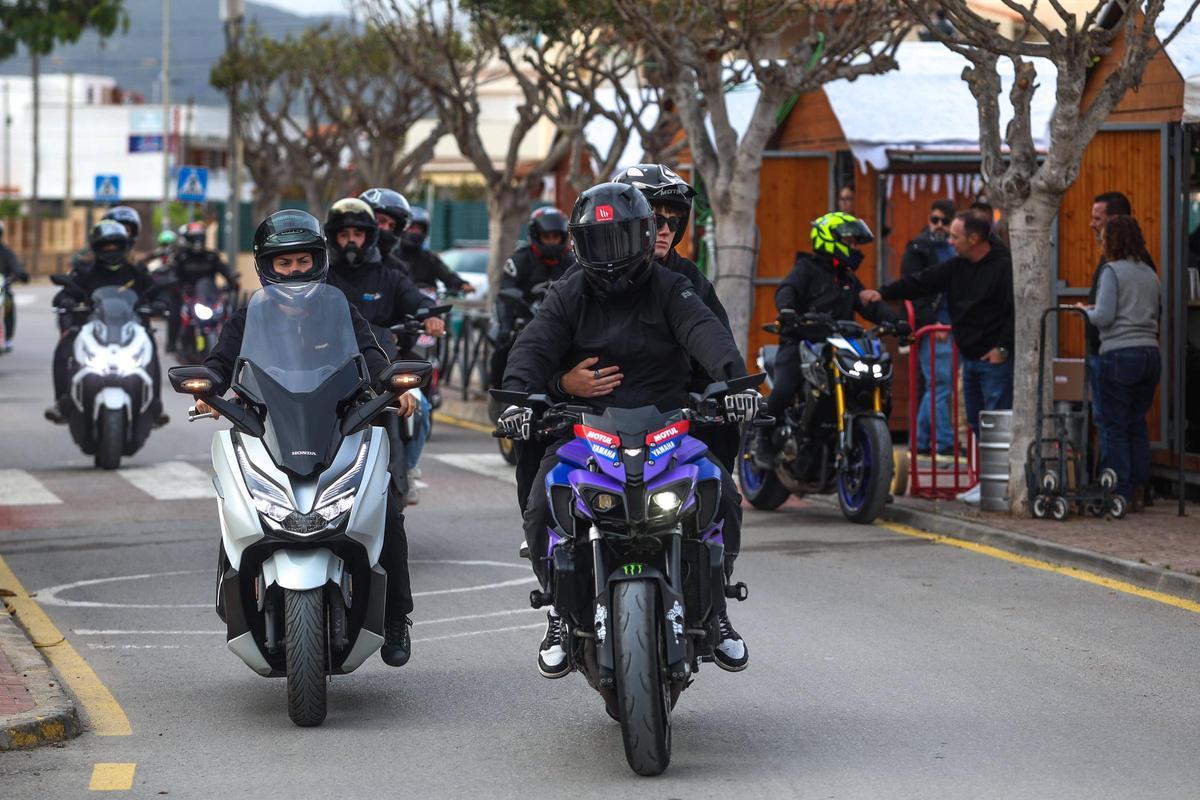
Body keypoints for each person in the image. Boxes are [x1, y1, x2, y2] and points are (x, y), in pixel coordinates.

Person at [500, 182, 759, 676]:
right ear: (580, 243)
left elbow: (704, 329)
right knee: (541, 505)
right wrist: (519, 397)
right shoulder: (569, 290)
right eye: (598, 240)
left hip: (670, 430)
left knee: (721, 492)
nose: (611, 253)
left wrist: (733, 382)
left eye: (620, 238)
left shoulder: (672, 286)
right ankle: (557, 610)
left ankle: (718, 608)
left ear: (642, 239)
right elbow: (534, 344)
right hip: (585, 432)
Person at [193, 209, 421, 667]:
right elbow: (220, 361)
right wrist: (208, 391)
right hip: (268, 426)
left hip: (338, 424)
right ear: (266, 266)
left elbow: (373, 356)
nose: (294, 271)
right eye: (284, 263)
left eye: (302, 261)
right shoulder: (248, 315)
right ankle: (231, 586)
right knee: (239, 503)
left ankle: (397, 616)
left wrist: (394, 384)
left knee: (387, 511)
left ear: (318, 260)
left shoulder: (340, 310)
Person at [324, 197, 444, 506]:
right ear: (333, 237)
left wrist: (428, 314)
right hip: (326, 367)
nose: (351, 241)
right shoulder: (321, 275)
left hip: (383, 363)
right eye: (344, 234)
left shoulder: (389, 274)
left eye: (358, 234)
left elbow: (415, 298)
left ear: (368, 237)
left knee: (418, 405)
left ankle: (408, 470)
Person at [862, 209, 1014, 448]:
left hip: (994, 359)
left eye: (956, 236)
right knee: (976, 421)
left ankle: (999, 481)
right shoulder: (956, 266)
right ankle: (985, 481)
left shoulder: (1003, 268)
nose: (951, 242)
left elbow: (1013, 312)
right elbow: (920, 281)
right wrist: (882, 292)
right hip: (971, 355)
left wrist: (1002, 348)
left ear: (974, 239)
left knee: (997, 422)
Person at [762, 211, 899, 432]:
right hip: (800, 342)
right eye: (850, 241)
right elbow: (787, 290)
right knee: (785, 389)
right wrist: (787, 310)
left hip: (839, 348)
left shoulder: (848, 279)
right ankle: (762, 439)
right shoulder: (806, 268)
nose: (855, 247)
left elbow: (869, 306)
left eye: (855, 242)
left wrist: (896, 321)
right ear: (829, 238)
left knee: (873, 383)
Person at [45, 220, 166, 425]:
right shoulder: (84, 271)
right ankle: (62, 402)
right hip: (91, 329)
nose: (111, 249)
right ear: (96, 246)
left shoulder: (137, 272)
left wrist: (160, 303)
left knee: (150, 349)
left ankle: (154, 404)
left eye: (115, 245)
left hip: (130, 329)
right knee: (64, 348)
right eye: (105, 245)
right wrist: (66, 299)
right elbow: (63, 295)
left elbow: (156, 292)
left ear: (125, 245)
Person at [1078, 215, 1160, 510]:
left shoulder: (1111, 271)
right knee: (1136, 423)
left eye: (1103, 237)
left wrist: (1083, 311)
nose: (1100, 242)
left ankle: (1118, 492)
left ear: (1112, 241)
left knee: (1114, 426)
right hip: (1150, 353)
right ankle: (1138, 488)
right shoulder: (1149, 273)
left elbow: (1105, 316)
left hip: (1119, 353)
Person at [902, 199, 957, 456]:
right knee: (940, 384)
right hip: (934, 325)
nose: (939, 226)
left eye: (944, 222)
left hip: (951, 324)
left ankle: (921, 442)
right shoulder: (919, 248)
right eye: (934, 220)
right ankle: (943, 442)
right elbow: (913, 290)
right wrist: (930, 321)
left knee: (938, 385)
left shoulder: (955, 248)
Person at [165, 222, 240, 353]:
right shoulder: (181, 257)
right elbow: (173, 275)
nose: (198, 241)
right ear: (188, 239)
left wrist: (232, 280)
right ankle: (172, 344)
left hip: (208, 296)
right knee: (174, 313)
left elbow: (224, 269)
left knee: (230, 312)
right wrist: (177, 285)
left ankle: (235, 346)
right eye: (194, 238)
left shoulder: (211, 256)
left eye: (200, 237)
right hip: (187, 295)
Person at [394, 207, 474, 295]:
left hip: (425, 304)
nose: (415, 232)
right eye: (412, 228)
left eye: (419, 229)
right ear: (403, 230)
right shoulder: (391, 258)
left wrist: (462, 284)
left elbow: (447, 276)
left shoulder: (430, 259)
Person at [359, 187, 413, 265]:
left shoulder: (397, 271)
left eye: (391, 226)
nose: (385, 228)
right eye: (381, 221)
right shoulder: (338, 260)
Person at [0, 220, 30, 352]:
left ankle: (7, 337)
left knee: (9, 302)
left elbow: (16, 266)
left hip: (1, 290)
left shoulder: (6, 252)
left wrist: (20, 274)